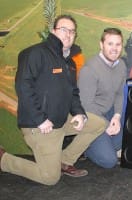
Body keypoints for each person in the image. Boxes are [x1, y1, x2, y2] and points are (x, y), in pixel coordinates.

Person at [0, 15, 107, 185]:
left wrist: (79, 113)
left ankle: (64, 160)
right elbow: (23, 87)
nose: (68, 34)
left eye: (72, 31)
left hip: (61, 120)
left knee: (99, 124)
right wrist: (40, 119)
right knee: (50, 178)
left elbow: (72, 93)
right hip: (41, 126)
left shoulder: (69, 63)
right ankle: (3, 159)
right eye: (63, 29)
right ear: (53, 31)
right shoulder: (35, 53)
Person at [78, 28, 127, 168]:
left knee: (126, 139)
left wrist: (117, 118)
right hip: (92, 117)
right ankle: (86, 147)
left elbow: (119, 94)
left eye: (118, 44)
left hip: (110, 112)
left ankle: (108, 143)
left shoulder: (121, 66)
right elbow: (86, 104)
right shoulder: (90, 69)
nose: (114, 48)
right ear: (101, 45)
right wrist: (106, 124)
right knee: (109, 161)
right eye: (110, 44)